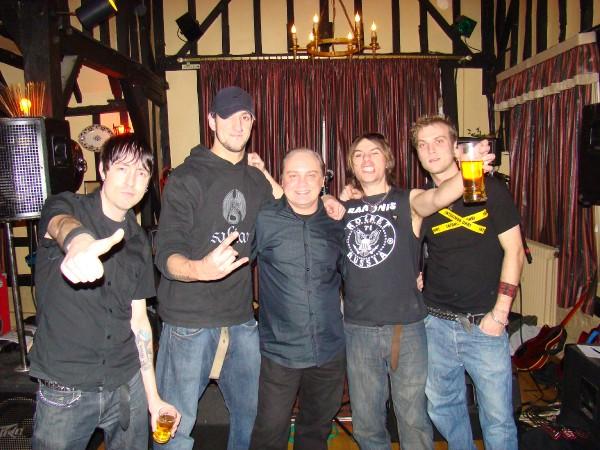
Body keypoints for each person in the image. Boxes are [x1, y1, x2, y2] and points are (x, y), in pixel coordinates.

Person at [340, 132, 493, 450]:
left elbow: (438, 198)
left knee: (413, 420)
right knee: (367, 424)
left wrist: (471, 166)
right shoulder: (343, 208)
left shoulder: (408, 200)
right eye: (358, 154)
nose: (366, 159)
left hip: (406, 329)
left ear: (387, 160)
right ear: (351, 165)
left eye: (374, 152)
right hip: (358, 329)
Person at [29, 134, 180, 449]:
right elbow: (60, 224)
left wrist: (153, 398)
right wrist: (79, 242)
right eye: (122, 168)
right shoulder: (67, 205)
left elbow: (139, 321)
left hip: (126, 384)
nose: (131, 180)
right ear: (102, 170)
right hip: (66, 388)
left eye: (141, 172)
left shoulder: (138, 241)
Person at [411, 115, 524, 450]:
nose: (431, 150)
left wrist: (500, 314)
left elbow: (515, 252)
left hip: (484, 324)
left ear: (455, 147)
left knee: (498, 418)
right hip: (436, 324)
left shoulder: (491, 189)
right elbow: (412, 250)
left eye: (439, 141)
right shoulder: (422, 200)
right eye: (422, 144)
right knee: (443, 407)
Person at [249, 149, 346, 450]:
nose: (302, 183)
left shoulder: (337, 221)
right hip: (281, 352)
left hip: (329, 350)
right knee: (269, 434)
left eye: (310, 175)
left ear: (323, 180)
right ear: (282, 179)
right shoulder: (264, 219)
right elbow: (233, 262)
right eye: (293, 175)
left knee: (315, 433)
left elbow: (359, 271)